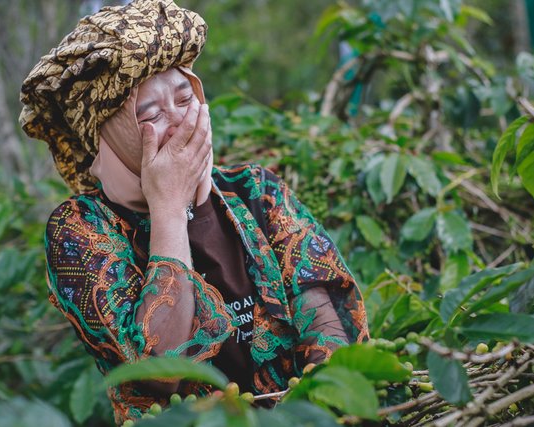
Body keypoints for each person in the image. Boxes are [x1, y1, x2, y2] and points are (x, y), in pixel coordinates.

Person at [20, 0, 369, 424]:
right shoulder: (79, 230)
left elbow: (326, 327)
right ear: (111, 134)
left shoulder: (257, 190)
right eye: (149, 114)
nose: (180, 121)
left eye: (185, 98)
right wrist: (167, 204)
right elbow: (160, 369)